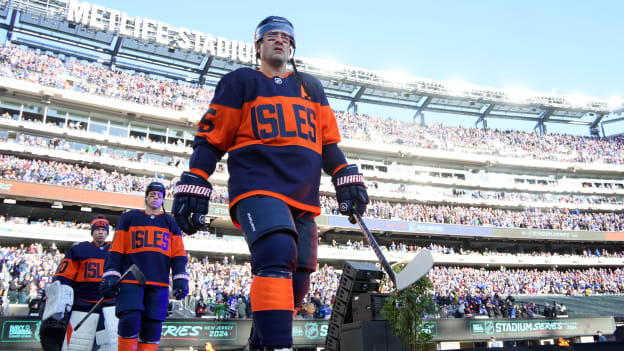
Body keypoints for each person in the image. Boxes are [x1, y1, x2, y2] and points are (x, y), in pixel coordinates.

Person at [171, 15, 368, 351]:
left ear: (292, 46)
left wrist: (343, 175)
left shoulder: (311, 87)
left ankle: (261, 342)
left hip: (302, 196)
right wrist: (196, 176)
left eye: (286, 37)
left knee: (300, 274)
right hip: (258, 185)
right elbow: (212, 137)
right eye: (271, 36)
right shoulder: (241, 81)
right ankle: (279, 346)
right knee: (276, 251)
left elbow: (328, 144)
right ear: (258, 45)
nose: (280, 40)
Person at [101, 182, 189, 351]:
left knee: (153, 327)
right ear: (146, 197)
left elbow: (178, 254)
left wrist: (180, 278)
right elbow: (117, 247)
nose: (155, 198)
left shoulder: (170, 222)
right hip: (130, 278)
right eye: (152, 194)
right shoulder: (129, 217)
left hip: (159, 282)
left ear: (163, 199)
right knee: (130, 320)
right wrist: (111, 274)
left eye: (159, 195)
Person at [39, 216, 117, 351]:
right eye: (97, 229)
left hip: (108, 304)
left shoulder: (115, 250)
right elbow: (63, 275)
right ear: (92, 232)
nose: (100, 232)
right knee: (78, 344)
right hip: (82, 304)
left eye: (103, 230)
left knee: (109, 343)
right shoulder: (78, 249)